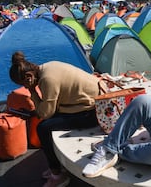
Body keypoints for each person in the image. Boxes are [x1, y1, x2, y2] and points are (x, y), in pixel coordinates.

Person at [9, 51, 105, 187]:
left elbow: (45, 113)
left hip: (94, 113)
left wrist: (32, 92)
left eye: (24, 83)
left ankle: (57, 174)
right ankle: (59, 166)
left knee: (42, 128)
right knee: (49, 122)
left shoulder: (47, 80)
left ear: (29, 76)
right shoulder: (47, 67)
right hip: (91, 103)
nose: (24, 87)